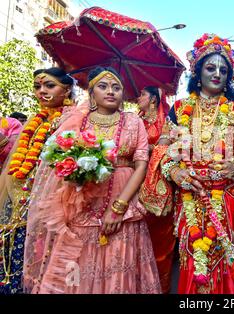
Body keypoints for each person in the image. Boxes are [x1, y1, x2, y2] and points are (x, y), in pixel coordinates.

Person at [141, 34, 234, 294]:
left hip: (226, 196)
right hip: (189, 195)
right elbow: (163, 149)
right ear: (197, 72)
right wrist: (174, 171)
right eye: (210, 68)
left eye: (223, 69)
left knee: (222, 253)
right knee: (191, 252)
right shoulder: (179, 109)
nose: (217, 73)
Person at [23, 67, 161, 294]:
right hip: (83, 201)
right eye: (103, 86)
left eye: (116, 88)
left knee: (120, 260)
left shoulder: (133, 121)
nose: (110, 92)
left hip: (124, 197)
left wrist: (119, 207)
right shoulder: (77, 121)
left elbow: (141, 164)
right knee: (82, 261)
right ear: (91, 93)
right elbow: (60, 160)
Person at [0, 68, 74, 294]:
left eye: (49, 86)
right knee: (12, 244)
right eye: (37, 86)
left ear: (67, 89)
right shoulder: (35, 118)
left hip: (50, 198)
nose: (42, 91)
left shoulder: (72, 119)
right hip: (20, 192)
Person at [137, 86, 175, 293]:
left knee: (161, 243)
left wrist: (153, 149)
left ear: (153, 99)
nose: (138, 97)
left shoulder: (167, 123)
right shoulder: (136, 122)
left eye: (142, 94)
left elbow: (175, 149)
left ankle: (161, 288)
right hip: (134, 186)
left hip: (162, 189)